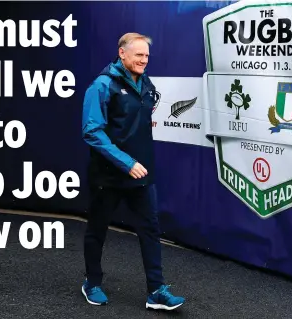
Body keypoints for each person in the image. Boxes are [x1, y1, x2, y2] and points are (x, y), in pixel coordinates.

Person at [80, 32, 185, 311]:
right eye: (138, 55)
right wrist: (126, 162)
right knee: (97, 230)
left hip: (141, 175)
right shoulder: (102, 86)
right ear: (122, 54)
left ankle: (156, 291)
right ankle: (92, 282)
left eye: (147, 56)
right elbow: (91, 131)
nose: (144, 60)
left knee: (150, 230)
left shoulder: (145, 83)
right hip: (109, 175)